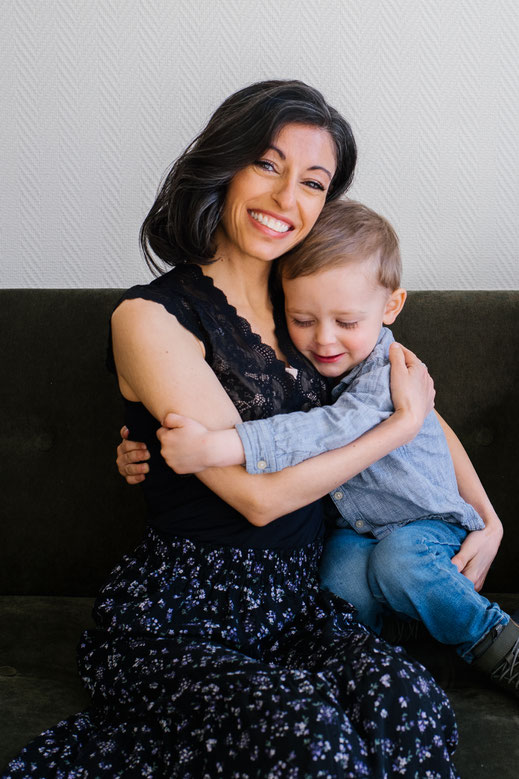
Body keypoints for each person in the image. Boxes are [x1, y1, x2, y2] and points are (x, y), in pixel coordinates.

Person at [5, 80, 462, 778]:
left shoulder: (314, 309)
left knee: (411, 704)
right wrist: (393, 430)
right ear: (224, 163)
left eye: (313, 182)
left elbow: (413, 405)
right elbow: (258, 497)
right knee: (306, 734)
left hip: (303, 597)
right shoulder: (149, 317)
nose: (287, 199)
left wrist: (483, 519)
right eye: (268, 164)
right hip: (183, 608)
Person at [151, 199, 517, 698]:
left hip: (425, 523)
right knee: (337, 584)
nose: (324, 340)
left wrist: (222, 447)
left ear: (390, 307)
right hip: (356, 530)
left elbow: (327, 428)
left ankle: (494, 640)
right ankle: (389, 644)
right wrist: (145, 450)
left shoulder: (388, 370)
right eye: (303, 319)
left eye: (346, 322)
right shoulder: (310, 365)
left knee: (401, 563)